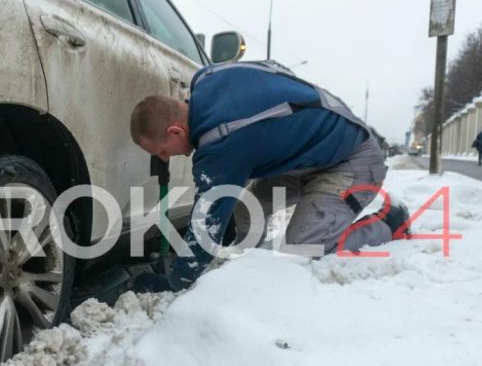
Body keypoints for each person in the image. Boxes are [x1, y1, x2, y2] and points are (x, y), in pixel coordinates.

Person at [129, 61, 411, 293]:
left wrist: (176, 282)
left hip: (352, 159)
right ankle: (245, 269)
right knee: (246, 212)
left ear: (176, 132)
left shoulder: (220, 142)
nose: (164, 158)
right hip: (306, 156)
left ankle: (390, 222)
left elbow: (206, 225)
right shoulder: (206, 78)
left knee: (301, 251)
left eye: (163, 151)